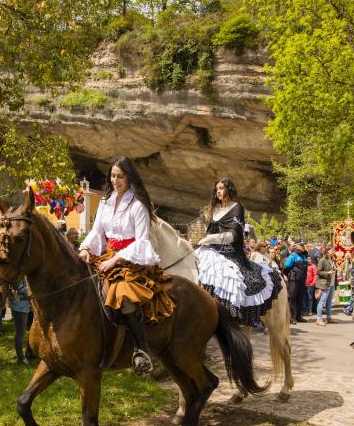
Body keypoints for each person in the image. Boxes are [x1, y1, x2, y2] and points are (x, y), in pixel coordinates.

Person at [78, 156, 175, 375]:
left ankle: (142, 350)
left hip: (131, 260)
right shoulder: (105, 202)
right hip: (107, 255)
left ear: (129, 178)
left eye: (120, 176)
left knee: (123, 295)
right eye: (112, 175)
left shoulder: (138, 205)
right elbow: (96, 232)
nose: (115, 180)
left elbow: (141, 241)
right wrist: (86, 249)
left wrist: (115, 259)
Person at [196, 177, 282, 326]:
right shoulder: (216, 210)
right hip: (213, 251)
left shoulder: (237, 208)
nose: (218, 191)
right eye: (217, 189)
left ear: (229, 189)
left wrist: (209, 238)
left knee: (234, 280)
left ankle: (236, 318)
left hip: (231, 253)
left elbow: (233, 235)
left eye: (221, 188)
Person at [283, 241, 308, 323]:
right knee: (292, 298)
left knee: (300, 298)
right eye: (301, 245)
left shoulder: (304, 255)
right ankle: (292, 317)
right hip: (294, 280)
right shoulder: (293, 255)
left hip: (302, 280)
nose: (303, 246)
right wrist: (286, 276)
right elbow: (286, 267)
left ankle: (298, 316)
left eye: (303, 245)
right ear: (297, 246)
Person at [9, 278, 32, 365]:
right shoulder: (18, 273)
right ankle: (20, 358)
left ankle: (30, 353)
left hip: (31, 305)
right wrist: (35, 287)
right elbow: (18, 289)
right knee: (20, 333)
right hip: (20, 306)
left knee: (32, 330)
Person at [315, 248, 337, 326]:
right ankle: (319, 319)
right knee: (322, 301)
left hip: (332, 284)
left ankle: (329, 317)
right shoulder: (322, 260)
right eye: (332, 250)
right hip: (324, 284)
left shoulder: (332, 260)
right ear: (327, 252)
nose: (334, 251)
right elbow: (318, 272)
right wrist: (328, 272)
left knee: (329, 302)